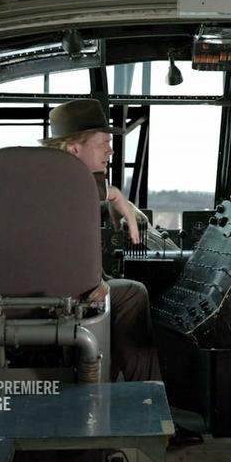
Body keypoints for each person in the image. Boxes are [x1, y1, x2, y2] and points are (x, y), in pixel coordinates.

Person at [40, 99, 161, 382]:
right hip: (55, 297)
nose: (111, 149)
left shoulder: (49, 179)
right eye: (103, 142)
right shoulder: (59, 184)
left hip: (50, 293)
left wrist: (111, 200)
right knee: (133, 294)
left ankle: (117, 386)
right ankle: (146, 401)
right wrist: (115, 195)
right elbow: (52, 250)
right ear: (74, 149)